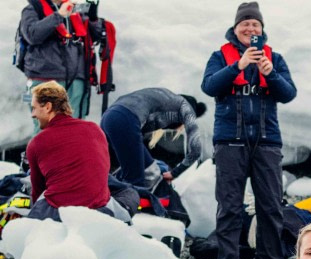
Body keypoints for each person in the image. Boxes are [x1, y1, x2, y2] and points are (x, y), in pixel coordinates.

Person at [201, 2, 297, 259]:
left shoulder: (275, 59)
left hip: (267, 141)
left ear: (262, 30)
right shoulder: (220, 56)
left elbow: (288, 94)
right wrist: (237, 66)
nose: (250, 28)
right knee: (229, 206)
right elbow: (209, 86)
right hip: (230, 140)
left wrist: (271, 74)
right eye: (245, 24)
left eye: (255, 24)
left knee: (270, 207)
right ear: (236, 28)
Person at [25, 81, 130, 222]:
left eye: (34, 108)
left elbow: (37, 191)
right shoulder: (95, 129)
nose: (33, 114)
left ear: (48, 107)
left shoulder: (37, 143)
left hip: (60, 213)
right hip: (101, 210)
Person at [100, 88, 207, 191]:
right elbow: (195, 151)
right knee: (141, 178)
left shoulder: (163, 98)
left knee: (118, 171)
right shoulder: (186, 108)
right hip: (126, 120)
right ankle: (129, 207)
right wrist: (173, 174)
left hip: (108, 117)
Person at [18, 0, 102, 122]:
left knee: (76, 124)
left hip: (77, 79)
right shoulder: (33, 9)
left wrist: (93, 19)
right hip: (45, 80)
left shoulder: (76, 11)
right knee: (46, 129)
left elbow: (95, 38)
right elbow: (32, 35)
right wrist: (59, 15)